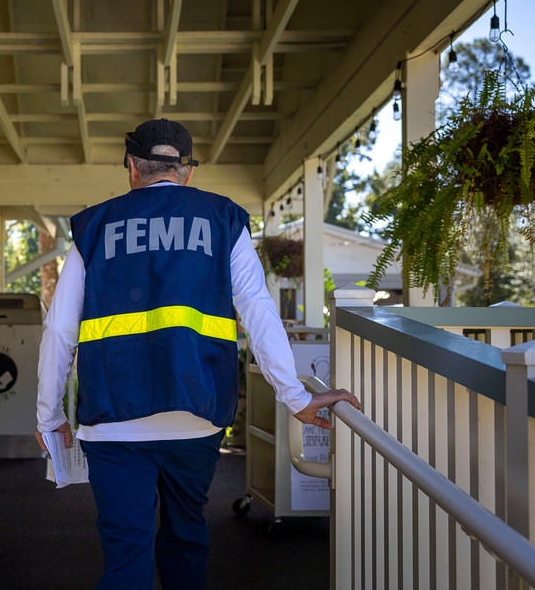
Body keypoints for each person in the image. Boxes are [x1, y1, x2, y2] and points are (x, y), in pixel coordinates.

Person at [35, 118, 361, 590]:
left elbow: (60, 330)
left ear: (132, 167)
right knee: (186, 538)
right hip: (198, 416)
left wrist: (49, 416)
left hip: (113, 420)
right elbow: (259, 310)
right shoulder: (223, 219)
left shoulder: (94, 227)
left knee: (126, 554)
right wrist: (295, 396)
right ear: (187, 172)